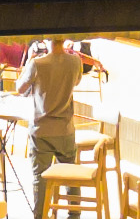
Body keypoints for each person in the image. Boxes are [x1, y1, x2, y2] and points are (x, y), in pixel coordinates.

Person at [23, 39, 94, 209]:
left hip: (41, 129)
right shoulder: (75, 61)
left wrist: (29, 61)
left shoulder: (37, 63)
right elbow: (76, 81)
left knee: (40, 177)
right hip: (65, 129)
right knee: (71, 174)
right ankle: (74, 217)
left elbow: (21, 89)